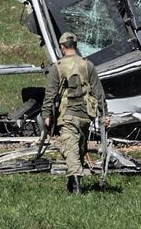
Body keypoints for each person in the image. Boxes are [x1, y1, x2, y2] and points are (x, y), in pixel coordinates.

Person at [42, 32, 109, 194]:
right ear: (76, 46)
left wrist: (46, 114)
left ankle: (77, 189)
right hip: (86, 115)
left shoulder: (57, 67)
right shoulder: (88, 65)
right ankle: (72, 185)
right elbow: (99, 92)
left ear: (62, 47)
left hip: (67, 115)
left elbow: (50, 94)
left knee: (72, 149)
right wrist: (104, 114)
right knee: (78, 148)